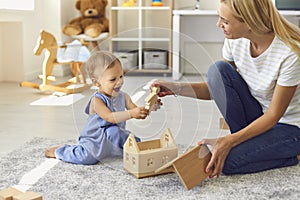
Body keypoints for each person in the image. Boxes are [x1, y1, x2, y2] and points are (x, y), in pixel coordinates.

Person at [152, 0, 300, 178]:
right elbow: (217, 88)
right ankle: (247, 144)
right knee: (218, 70)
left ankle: (291, 155)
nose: (218, 25)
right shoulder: (236, 41)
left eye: (225, 21)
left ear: (249, 22)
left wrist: (228, 141)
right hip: (260, 115)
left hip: (290, 127)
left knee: (226, 162)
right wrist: (176, 88)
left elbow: (273, 116)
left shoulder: (289, 53)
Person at [45, 51, 159, 165]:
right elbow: (110, 118)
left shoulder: (124, 96)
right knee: (86, 158)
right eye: (113, 79)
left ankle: (137, 148)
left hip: (114, 138)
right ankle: (61, 151)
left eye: (121, 76)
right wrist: (131, 113)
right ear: (97, 82)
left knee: (125, 138)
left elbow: (137, 111)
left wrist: (149, 107)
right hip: (95, 140)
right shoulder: (97, 100)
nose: (119, 82)